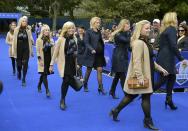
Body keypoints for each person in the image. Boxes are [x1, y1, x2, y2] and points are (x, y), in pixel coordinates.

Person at [109, 20, 168, 130]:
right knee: (145, 97)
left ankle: (115, 110)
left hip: (147, 73)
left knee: (131, 96)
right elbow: (136, 62)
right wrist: (140, 77)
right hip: (143, 75)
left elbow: (149, 60)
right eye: (146, 28)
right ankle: (147, 121)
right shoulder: (138, 43)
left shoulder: (144, 41)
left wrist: (160, 69)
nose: (149, 29)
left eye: (149, 28)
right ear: (139, 29)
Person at [155, 12, 185, 110]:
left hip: (164, 57)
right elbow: (173, 45)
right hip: (166, 59)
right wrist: (181, 59)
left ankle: (169, 99)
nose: (177, 19)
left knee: (172, 77)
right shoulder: (171, 29)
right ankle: (145, 94)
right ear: (172, 19)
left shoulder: (165, 30)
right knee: (163, 80)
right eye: (176, 18)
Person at [49, 21, 78, 110]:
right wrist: (51, 64)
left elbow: (77, 52)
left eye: (72, 27)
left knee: (68, 81)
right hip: (64, 63)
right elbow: (55, 53)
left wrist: (78, 63)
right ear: (65, 29)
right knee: (65, 81)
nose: (71, 29)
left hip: (72, 63)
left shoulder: (75, 39)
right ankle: (62, 100)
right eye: (69, 28)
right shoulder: (61, 39)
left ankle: (64, 96)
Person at [83, 17, 107, 94]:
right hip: (91, 54)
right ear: (93, 23)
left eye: (99, 22)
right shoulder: (88, 32)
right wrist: (91, 49)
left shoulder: (99, 31)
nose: (99, 24)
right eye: (97, 22)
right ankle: (85, 83)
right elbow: (86, 43)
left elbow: (100, 42)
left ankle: (100, 87)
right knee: (89, 70)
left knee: (100, 70)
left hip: (99, 54)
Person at [109, 19, 131, 99]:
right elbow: (127, 40)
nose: (129, 26)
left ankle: (112, 91)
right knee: (122, 76)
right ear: (123, 25)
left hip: (123, 55)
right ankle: (127, 95)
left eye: (129, 24)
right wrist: (130, 34)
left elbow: (129, 47)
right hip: (118, 56)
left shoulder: (126, 33)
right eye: (127, 24)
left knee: (118, 75)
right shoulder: (118, 34)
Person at [12, 16, 34, 86]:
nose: (25, 22)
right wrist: (13, 50)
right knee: (19, 65)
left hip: (26, 48)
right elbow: (14, 41)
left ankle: (24, 78)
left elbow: (30, 38)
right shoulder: (16, 30)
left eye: (25, 21)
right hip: (18, 48)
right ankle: (19, 72)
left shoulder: (28, 30)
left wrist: (33, 42)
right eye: (23, 21)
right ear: (20, 22)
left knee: (25, 64)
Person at [36, 24, 54, 97]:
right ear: (42, 31)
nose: (47, 31)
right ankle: (47, 90)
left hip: (49, 59)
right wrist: (40, 60)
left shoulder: (51, 40)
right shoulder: (39, 40)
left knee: (44, 74)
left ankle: (39, 85)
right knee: (44, 74)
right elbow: (37, 51)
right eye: (45, 30)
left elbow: (54, 50)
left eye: (48, 30)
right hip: (42, 59)